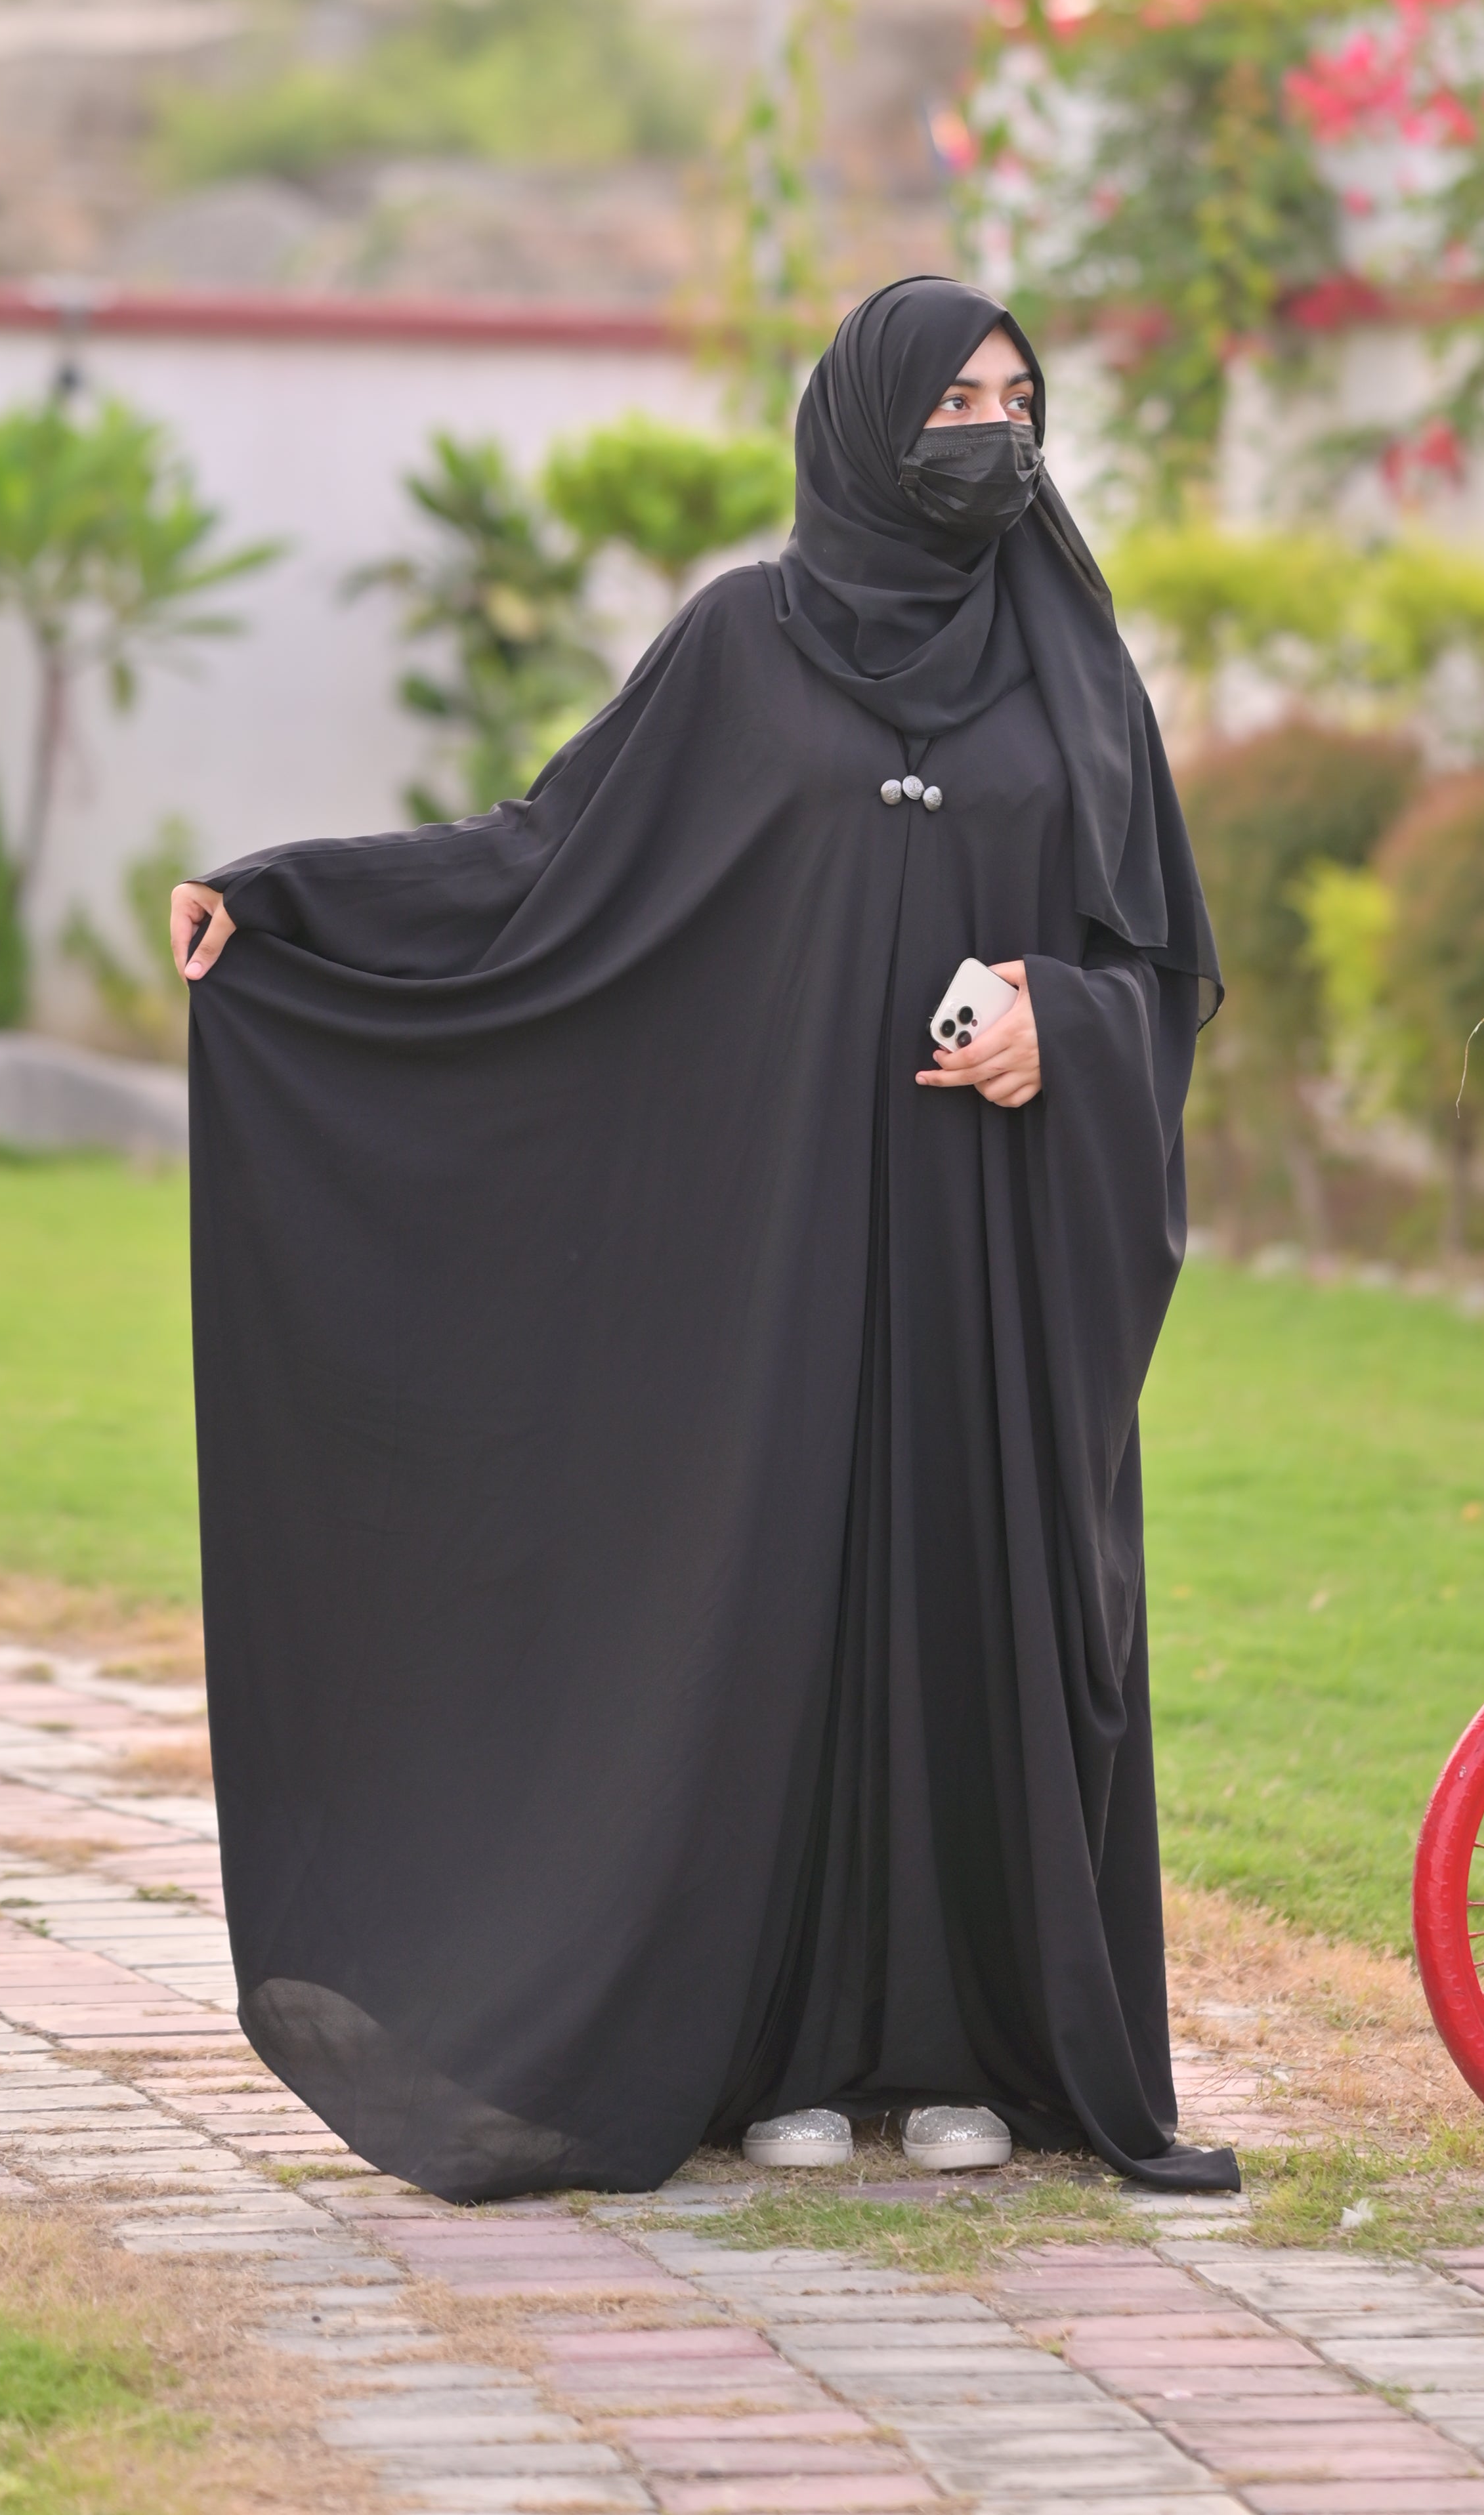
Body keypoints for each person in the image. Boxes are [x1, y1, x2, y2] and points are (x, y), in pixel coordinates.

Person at [170, 274, 1235, 2200]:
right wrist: (291, 910)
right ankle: (788, 2049)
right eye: (954, 404)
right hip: (780, 1243)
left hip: (987, 1252)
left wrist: (1052, 1025)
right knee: (782, 1604)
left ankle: (964, 2044)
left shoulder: (1077, 673)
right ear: (861, 428)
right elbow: (542, 865)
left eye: (1020, 400)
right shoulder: (743, 646)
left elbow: (1155, 966)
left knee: (972, 1602)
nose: (994, 436)